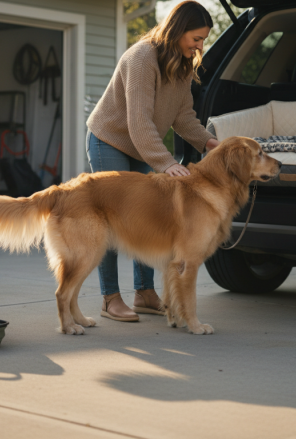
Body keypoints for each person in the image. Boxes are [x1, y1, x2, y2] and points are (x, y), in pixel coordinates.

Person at [85, 0, 220, 322]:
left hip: (144, 146)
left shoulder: (184, 64)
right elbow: (139, 120)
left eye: (203, 39)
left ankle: (144, 293)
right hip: (111, 140)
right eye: (196, 38)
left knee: (148, 219)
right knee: (112, 220)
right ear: (177, 30)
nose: (200, 46)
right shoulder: (142, 57)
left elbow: (184, 117)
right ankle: (110, 298)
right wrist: (164, 162)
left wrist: (212, 144)